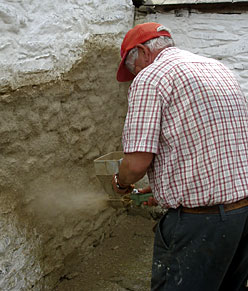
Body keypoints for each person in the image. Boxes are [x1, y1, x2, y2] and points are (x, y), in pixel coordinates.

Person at [111, 22, 248, 291]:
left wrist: (121, 183)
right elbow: (211, 144)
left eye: (131, 68)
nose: (134, 74)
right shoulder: (216, 68)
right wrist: (165, 185)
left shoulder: (151, 77)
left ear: (142, 51)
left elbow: (136, 164)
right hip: (242, 216)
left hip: (201, 223)